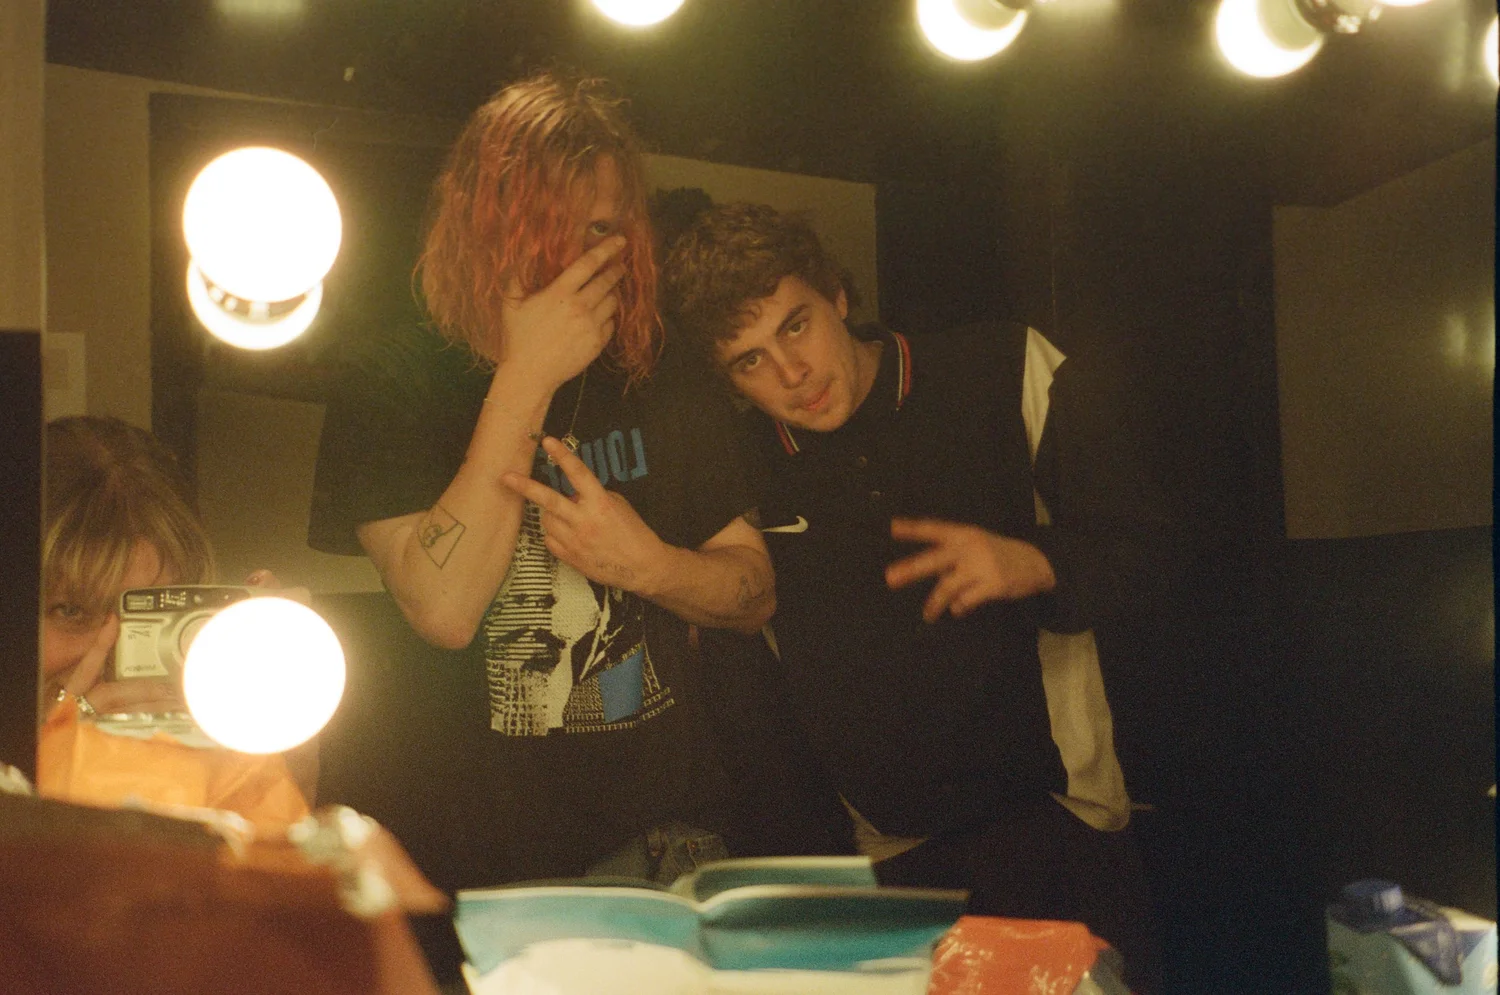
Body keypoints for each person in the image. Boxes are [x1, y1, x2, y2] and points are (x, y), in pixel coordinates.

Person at [661, 202, 1162, 987]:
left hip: (1062, 817)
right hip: (891, 861)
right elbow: (753, 706)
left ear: (837, 294)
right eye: (750, 360)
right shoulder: (740, 472)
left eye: (796, 326)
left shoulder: (1001, 365)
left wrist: (1036, 564)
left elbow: (1150, 551)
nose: (790, 373)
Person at [306, 73, 774, 888]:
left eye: (600, 228)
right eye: (545, 223)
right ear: (482, 222)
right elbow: (443, 609)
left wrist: (648, 565)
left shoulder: (660, 370)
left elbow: (755, 591)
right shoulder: (389, 381)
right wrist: (528, 373)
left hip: (663, 839)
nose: (575, 255)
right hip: (472, 853)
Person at [38, 414, 310, 825]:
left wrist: (282, 732)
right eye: (72, 611)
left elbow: (279, 851)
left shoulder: (223, 738)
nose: (112, 655)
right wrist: (48, 752)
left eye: (148, 616)